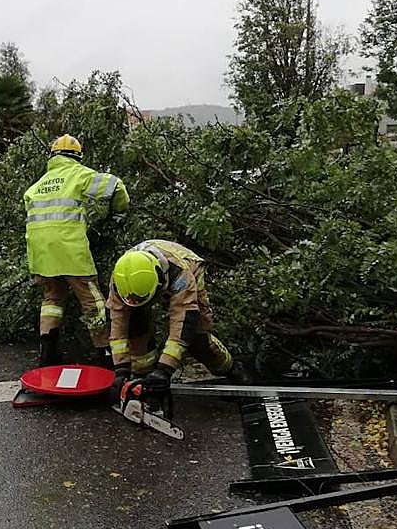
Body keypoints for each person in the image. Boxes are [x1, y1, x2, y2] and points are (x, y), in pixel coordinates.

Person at [24, 134, 129, 366]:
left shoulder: (37, 186)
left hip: (41, 254)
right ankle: (104, 354)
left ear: (52, 157)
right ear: (77, 157)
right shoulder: (78, 174)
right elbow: (116, 186)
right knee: (92, 302)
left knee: (52, 298)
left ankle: (47, 352)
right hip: (70, 250)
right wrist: (119, 213)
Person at [106, 239, 250, 392]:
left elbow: (182, 325)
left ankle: (233, 370)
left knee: (196, 337)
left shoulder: (181, 275)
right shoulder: (121, 280)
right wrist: (121, 369)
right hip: (145, 285)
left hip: (190, 269)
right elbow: (117, 323)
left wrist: (165, 369)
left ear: (160, 282)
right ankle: (145, 382)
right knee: (135, 329)